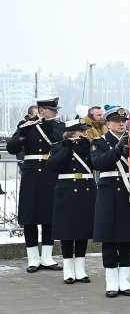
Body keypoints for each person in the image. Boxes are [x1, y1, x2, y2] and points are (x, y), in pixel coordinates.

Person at [91, 107, 130, 297]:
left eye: (123, 121)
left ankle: (125, 280)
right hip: (109, 195)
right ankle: (111, 282)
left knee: (127, 240)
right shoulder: (99, 142)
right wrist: (116, 150)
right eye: (116, 121)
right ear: (107, 124)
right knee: (109, 240)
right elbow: (98, 163)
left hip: (129, 192)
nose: (121, 124)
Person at [6, 97, 64, 272]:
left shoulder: (57, 125)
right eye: (52, 109)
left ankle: (47, 257)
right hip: (31, 174)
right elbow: (12, 148)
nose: (55, 112)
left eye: (55, 110)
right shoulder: (25, 125)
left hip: (50, 173)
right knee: (29, 217)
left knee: (49, 216)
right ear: (41, 110)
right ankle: (32, 258)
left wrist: (45, 125)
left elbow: (59, 140)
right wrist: (24, 132)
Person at [48, 119, 96, 284]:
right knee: (67, 231)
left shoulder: (89, 146)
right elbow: (53, 166)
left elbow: (96, 163)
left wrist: (85, 149)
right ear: (71, 132)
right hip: (66, 190)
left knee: (83, 230)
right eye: (81, 131)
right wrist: (67, 149)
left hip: (86, 189)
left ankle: (80, 269)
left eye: (85, 131)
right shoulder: (59, 146)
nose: (84, 133)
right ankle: (68, 270)